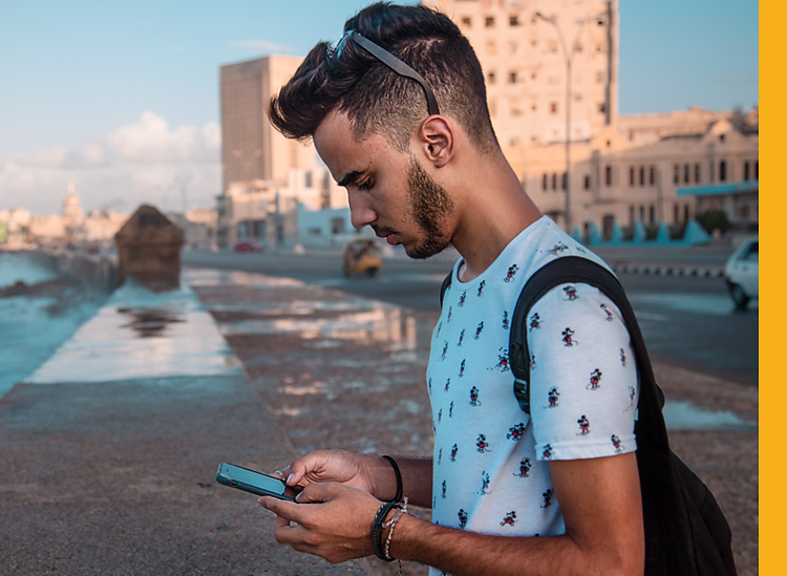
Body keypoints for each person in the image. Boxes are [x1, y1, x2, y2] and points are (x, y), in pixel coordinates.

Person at [257, 3, 645, 575]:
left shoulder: (565, 308)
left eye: (364, 181)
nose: (357, 215)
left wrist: (387, 533)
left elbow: (611, 563)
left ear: (437, 141)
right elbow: (496, 473)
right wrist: (376, 476)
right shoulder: (461, 285)